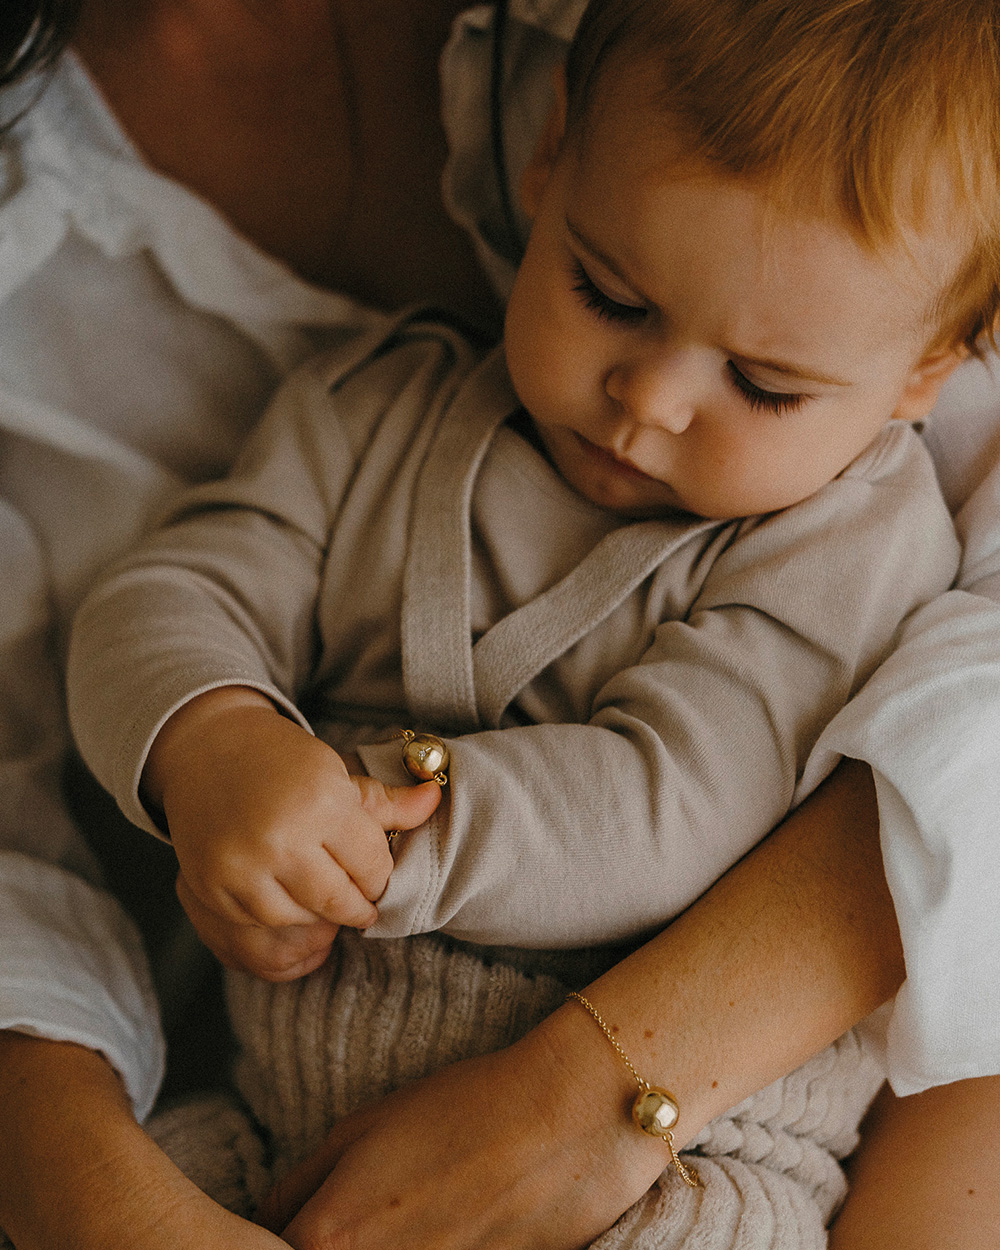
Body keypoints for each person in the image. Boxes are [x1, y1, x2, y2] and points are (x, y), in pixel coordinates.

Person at [1, 1, 999, 1248]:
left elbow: (672, 795)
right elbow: (166, 594)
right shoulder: (375, 409)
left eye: (764, 384)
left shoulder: (851, 539)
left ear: (926, 374)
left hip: (690, 1154)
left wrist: (373, 839)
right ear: (548, 151)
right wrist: (210, 744)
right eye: (608, 292)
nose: (650, 400)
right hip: (289, 1121)